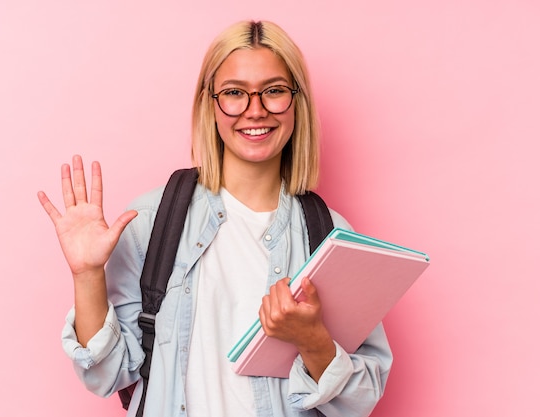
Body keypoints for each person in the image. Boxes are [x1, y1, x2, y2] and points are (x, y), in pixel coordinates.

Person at [38, 20, 392, 417]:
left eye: (274, 91)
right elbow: (106, 375)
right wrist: (87, 276)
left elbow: (361, 399)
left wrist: (313, 342)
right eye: (234, 93)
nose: (254, 110)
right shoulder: (154, 222)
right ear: (210, 104)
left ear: (297, 102)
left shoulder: (329, 236)